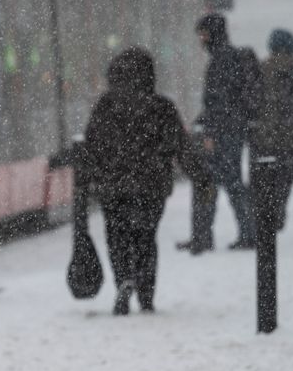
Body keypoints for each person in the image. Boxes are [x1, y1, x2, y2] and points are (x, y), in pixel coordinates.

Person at [84, 47, 209, 315]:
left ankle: (123, 281)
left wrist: (89, 179)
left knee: (117, 236)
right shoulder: (162, 106)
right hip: (151, 187)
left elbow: (90, 145)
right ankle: (146, 293)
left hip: (113, 186)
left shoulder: (106, 105)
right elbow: (181, 146)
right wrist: (200, 176)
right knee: (145, 237)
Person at [176, 12, 260, 254]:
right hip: (230, 130)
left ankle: (214, 236)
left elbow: (220, 102)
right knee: (227, 182)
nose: (201, 39)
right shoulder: (227, 57)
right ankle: (241, 233)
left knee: (215, 182)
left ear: (212, 33)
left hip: (223, 132)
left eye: (203, 33)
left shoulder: (221, 59)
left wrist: (210, 132)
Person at [248, 28, 293, 234]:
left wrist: (255, 125)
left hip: (265, 137)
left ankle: (269, 217)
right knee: (285, 180)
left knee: (265, 180)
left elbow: (251, 100)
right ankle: (279, 212)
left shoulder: (261, 68)